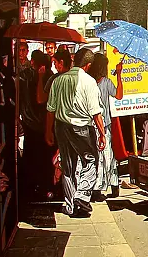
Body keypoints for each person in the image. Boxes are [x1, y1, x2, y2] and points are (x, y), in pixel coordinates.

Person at [45, 48, 106, 217]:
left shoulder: (58, 80)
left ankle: (70, 205)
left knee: (67, 165)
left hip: (61, 127)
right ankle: (82, 195)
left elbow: (50, 109)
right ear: (88, 65)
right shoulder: (89, 82)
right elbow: (95, 112)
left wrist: (48, 132)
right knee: (91, 160)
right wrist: (101, 134)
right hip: (82, 128)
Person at [18, 50, 55, 200]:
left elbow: (39, 99)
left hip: (32, 123)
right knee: (44, 158)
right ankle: (43, 186)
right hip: (43, 124)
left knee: (33, 156)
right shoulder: (44, 76)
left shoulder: (31, 76)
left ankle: (33, 186)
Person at [88, 53, 123, 200]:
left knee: (96, 157)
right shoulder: (106, 82)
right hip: (105, 124)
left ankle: (97, 187)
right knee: (108, 155)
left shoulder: (88, 82)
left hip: (91, 124)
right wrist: (119, 75)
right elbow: (119, 95)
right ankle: (113, 184)